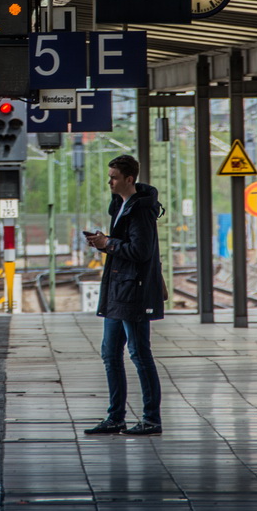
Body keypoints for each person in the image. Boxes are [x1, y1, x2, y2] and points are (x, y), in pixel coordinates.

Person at [82, 154, 166, 437]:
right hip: (119, 289)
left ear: (129, 179)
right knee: (110, 353)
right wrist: (105, 243)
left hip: (134, 290)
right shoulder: (120, 204)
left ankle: (151, 419)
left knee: (139, 353)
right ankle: (115, 417)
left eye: (114, 177)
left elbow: (141, 252)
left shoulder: (140, 210)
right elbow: (125, 245)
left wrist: (109, 243)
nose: (110, 181)